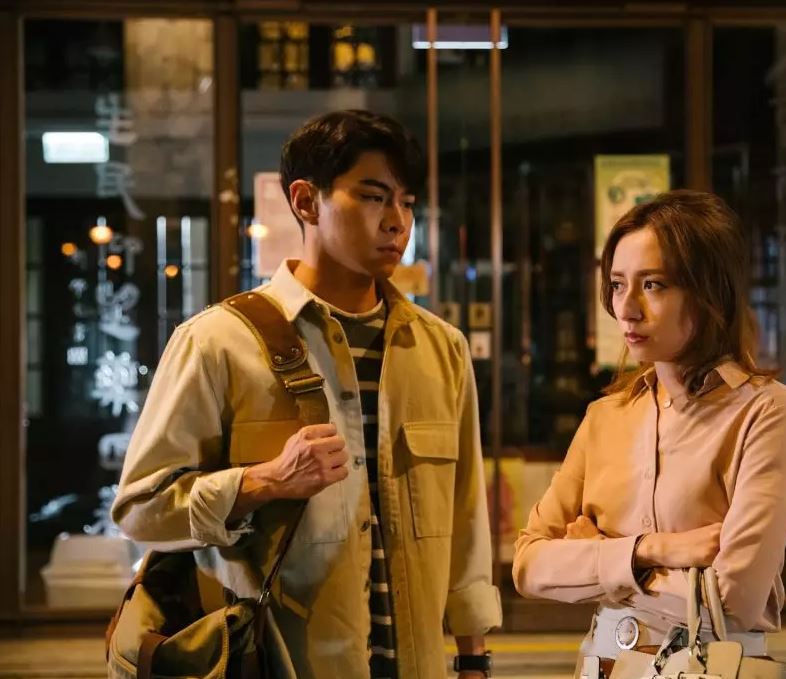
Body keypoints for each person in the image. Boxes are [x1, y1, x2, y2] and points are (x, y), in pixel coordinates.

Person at [113, 110, 501, 679]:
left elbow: (466, 520)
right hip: (280, 664)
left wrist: (473, 659)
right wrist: (262, 482)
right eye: (373, 197)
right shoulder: (219, 342)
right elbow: (140, 510)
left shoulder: (441, 348)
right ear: (305, 201)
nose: (397, 221)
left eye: (407, 202)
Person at [512, 189, 786, 674]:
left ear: (709, 292)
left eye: (653, 285)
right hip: (603, 665)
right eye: (617, 284)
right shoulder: (605, 416)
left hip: (707, 666)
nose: (626, 308)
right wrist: (651, 549)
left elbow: (734, 597)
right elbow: (528, 566)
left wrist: (594, 555)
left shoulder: (766, 411)